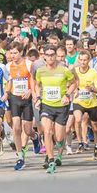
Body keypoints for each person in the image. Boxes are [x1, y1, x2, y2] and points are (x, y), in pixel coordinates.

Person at [34, 44, 77, 174]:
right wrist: (37, 97)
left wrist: (67, 95)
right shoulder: (40, 71)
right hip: (46, 104)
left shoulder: (64, 69)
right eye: (48, 55)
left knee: (58, 137)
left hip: (61, 106)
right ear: (44, 57)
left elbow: (74, 83)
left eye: (53, 55)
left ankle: (59, 149)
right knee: (47, 132)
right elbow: (37, 85)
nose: (51, 57)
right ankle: (51, 160)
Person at [6, 42, 40, 171]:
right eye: (11, 53)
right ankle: (20, 157)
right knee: (16, 126)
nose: (13, 55)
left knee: (27, 129)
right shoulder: (8, 66)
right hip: (15, 98)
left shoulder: (28, 64)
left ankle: (35, 137)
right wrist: (6, 93)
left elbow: (34, 81)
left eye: (15, 53)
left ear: (21, 52)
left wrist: (31, 91)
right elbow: (10, 82)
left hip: (27, 99)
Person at [73, 50, 97, 159]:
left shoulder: (93, 72)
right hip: (78, 101)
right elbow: (69, 83)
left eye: (85, 60)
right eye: (81, 60)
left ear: (89, 61)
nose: (83, 62)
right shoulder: (74, 71)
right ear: (78, 60)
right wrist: (74, 90)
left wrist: (92, 89)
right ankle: (80, 143)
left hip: (91, 102)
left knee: (95, 127)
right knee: (78, 119)